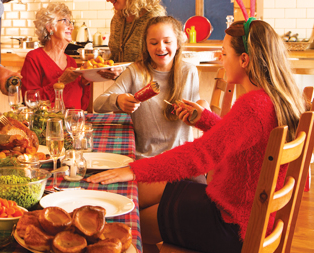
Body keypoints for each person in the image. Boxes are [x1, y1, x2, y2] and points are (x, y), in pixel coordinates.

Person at [87, 19, 304, 253]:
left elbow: (200, 154)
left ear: (244, 60)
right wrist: (204, 118)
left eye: (224, 53)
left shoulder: (253, 106)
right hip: (236, 208)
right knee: (134, 197)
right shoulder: (269, 100)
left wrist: (135, 169)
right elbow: (237, 138)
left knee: (133, 222)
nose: (222, 59)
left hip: (230, 223)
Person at [93, 16, 206, 159]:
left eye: (167, 41)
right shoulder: (134, 71)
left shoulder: (189, 72)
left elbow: (198, 109)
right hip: (146, 159)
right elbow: (97, 104)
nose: (161, 47)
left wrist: (202, 108)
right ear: (146, 45)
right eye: (153, 43)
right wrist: (118, 100)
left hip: (181, 158)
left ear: (177, 43)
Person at [98, 0, 166, 80]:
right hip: (124, 90)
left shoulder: (153, 18)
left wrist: (124, 71)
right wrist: (102, 64)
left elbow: (160, 62)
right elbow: (116, 58)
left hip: (149, 90)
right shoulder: (117, 19)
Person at [20, 3, 91, 110]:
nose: (71, 27)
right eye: (65, 21)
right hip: (48, 124)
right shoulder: (34, 58)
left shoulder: (71, 62)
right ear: (50, 27)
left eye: (71, 22)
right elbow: (31, 102)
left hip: (72, 123)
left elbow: (81, 106)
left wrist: (86, 83)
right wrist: (60, 82)